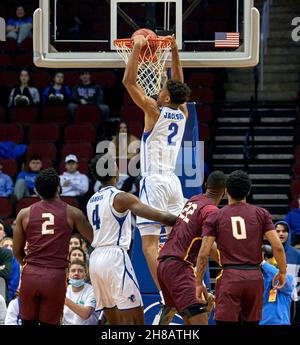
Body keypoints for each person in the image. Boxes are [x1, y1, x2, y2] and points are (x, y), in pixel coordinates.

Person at [122, 34, 191, 301]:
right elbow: (180, 83)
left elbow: (128, 82)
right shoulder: (183, 113)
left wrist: (137, 50)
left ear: (165, 95)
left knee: (149, 245)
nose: (159, 88)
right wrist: (174, 51)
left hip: (154, 182)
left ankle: (165, 294)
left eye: (163, 87)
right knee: (178, 241)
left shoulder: (154, 110)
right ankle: (186, 287)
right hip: (174, 183)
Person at [87, 154, 177, 325]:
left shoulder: (91, 200)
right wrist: (179, 221)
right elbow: (156, 214)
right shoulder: (121, 197)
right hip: (114, 257)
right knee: (135, 321)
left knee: (114, 323)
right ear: (114, 172)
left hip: (95, 260)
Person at [196, 170, 287, 325]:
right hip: (254, 277)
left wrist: (198, 282)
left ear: (226, 191)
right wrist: (282, 272)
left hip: (230, 277)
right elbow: (277, 246)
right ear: (248, 191)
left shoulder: (215, 216)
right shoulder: (261, 213)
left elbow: (204, 253)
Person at [13, 168, 93, 325]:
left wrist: (30, 266)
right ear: (58, 187)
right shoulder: (73, 213)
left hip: (30, 275)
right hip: (55, 277)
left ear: (36, 190)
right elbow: (94, 239)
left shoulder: (24, 213)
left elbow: (17, 251)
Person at [157, 171, 226, 325]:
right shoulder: (212, 211)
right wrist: (227, 261)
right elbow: (208, 247)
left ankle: (169, 311)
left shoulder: (194, 200)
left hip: (163, 263)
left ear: (206, 185)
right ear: (226, 191)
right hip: (180, 266)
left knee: (203, 304)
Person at [260, 245, 294, 325]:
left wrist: (263, 263)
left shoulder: (288, 278)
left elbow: (280, 278)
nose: (274, 261)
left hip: (281, 323)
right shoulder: (258, 279)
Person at [275, 221, 300, 325]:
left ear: (288, 233)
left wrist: (297, 295)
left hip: (292, 299)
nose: (281, 234)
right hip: (271, 299)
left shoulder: (297, 254)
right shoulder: (267, 253)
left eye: (284, 231)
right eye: (278, 231)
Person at [63, 259, 99, 325]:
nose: (76, 273)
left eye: (80, 271)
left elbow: (85, 314)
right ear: (68, 275)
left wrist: (63, 298)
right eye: (73, 271)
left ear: (86, 275)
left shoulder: (92, 291)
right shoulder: (65, 290)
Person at [0, 237, 20, 302]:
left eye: (11, 246)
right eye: (6, 245)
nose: (9, 247)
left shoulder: (15, 262)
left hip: (7, 295)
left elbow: (14, 283)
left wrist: (9, 299)